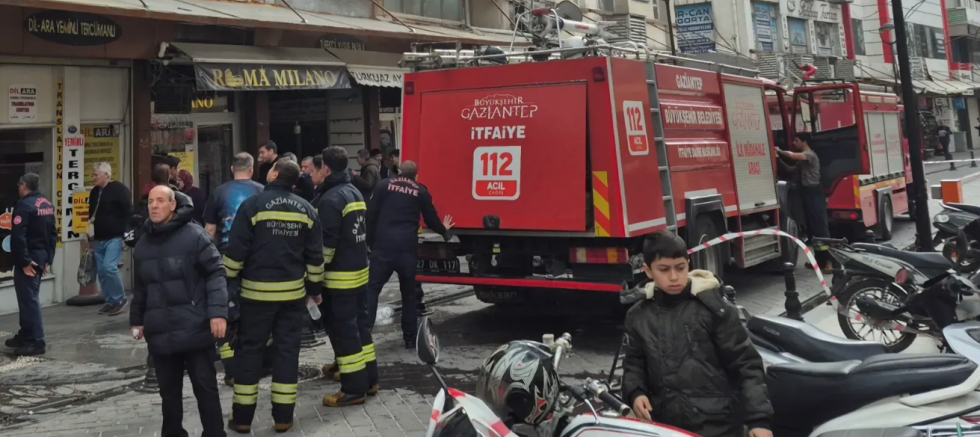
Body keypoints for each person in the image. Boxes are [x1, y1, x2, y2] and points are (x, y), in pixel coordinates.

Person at [622, 231, 773, 437]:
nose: (674, 276)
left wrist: (759, 420)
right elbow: (634, 363)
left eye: (680, 268)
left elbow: (746, 365)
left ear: (688, 264)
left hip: (720, 426)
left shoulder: (715, 310)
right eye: (664, 269)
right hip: (666, 426)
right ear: (648, 271)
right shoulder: (638, 315)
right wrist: (635, 393)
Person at [224, 159, 324, 433]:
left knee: (249, 354)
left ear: (275, 174)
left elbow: (236, 253)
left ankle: (242, 419)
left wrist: (228, 280)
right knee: (287, 353)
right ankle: (283, 418)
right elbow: (315, 258)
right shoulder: (307, 208)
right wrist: (315, 291)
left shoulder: (252, 206)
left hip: (255, 297)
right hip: (292, 297)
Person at [131, 185, 228, 437]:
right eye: (150, 201)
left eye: (160, 200)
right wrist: (137, 321)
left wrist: (218, 313)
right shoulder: (143, 244)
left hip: (194, 327)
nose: (153, 206)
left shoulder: (194, 236)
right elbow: (140, 287)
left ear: (173, 205)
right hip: (160, 330)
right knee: (168, 393)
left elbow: (216, 273)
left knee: (205, 388)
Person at [313, 146, 377, 407]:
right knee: (361, 328)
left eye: (314, 169)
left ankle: (353, 389)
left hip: (339, 280)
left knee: (344, 332)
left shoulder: (330, 200)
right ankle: (370, 380)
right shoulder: (353, 193)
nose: (312, 174)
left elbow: (325, 248)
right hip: (360, 274)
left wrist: (314, 279)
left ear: (326, 169)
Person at [366, 161, 453, 348]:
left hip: (383, 247)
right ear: (416, 175)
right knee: (409, 294)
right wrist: (444, 230)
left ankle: (364, 333)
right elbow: (430, 218)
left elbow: (370, 215)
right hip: (406, 250)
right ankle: (410, 338)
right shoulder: (420, 191)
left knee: (372, 289)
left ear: (399, 172)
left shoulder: (384, 185)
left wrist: (371, 243)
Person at [203, 152, 267, 386]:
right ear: (251, 169)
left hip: (226, 257)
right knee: (255, 310)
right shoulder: (262, 191)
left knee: (228, 311)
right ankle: (256, 364)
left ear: (232, 169)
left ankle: (231, 369)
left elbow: (209, 229)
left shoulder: (219, 192)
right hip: (256, 259)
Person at [4, 173, 56, 356]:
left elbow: (18, 237)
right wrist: (49, 259)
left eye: (19, 184)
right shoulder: (46, 204)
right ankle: (25, 334)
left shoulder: (24, 206)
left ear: (24, 186)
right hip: (40, 258)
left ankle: (36, 341)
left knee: (29, 301)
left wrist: (25, 262)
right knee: (27, 299)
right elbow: (52, 234)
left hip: (30, 259)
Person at [775, 133, 831, 273]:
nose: (794, 143)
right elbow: (791, 169)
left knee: (821, 229)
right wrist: (778, 160)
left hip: (814, 193)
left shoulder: (810, 155)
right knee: (813, 230)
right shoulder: (803, 159)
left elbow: (793, 156)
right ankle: (819, 262)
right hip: (806, 194)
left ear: (804, 142)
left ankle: (829, 262)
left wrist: (779, 151)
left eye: (796, 140)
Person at [89, 162, 133, 316]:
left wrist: (125, 234)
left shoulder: (119, 190)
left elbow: (129, 212)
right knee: (101, 271)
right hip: (99, 237)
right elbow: (91, 215)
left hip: (114, 236)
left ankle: (120, 299)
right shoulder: (94, 192)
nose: (93, 177)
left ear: (106, 175)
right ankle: (110, 300)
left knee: (109, 267)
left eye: (96, 174)